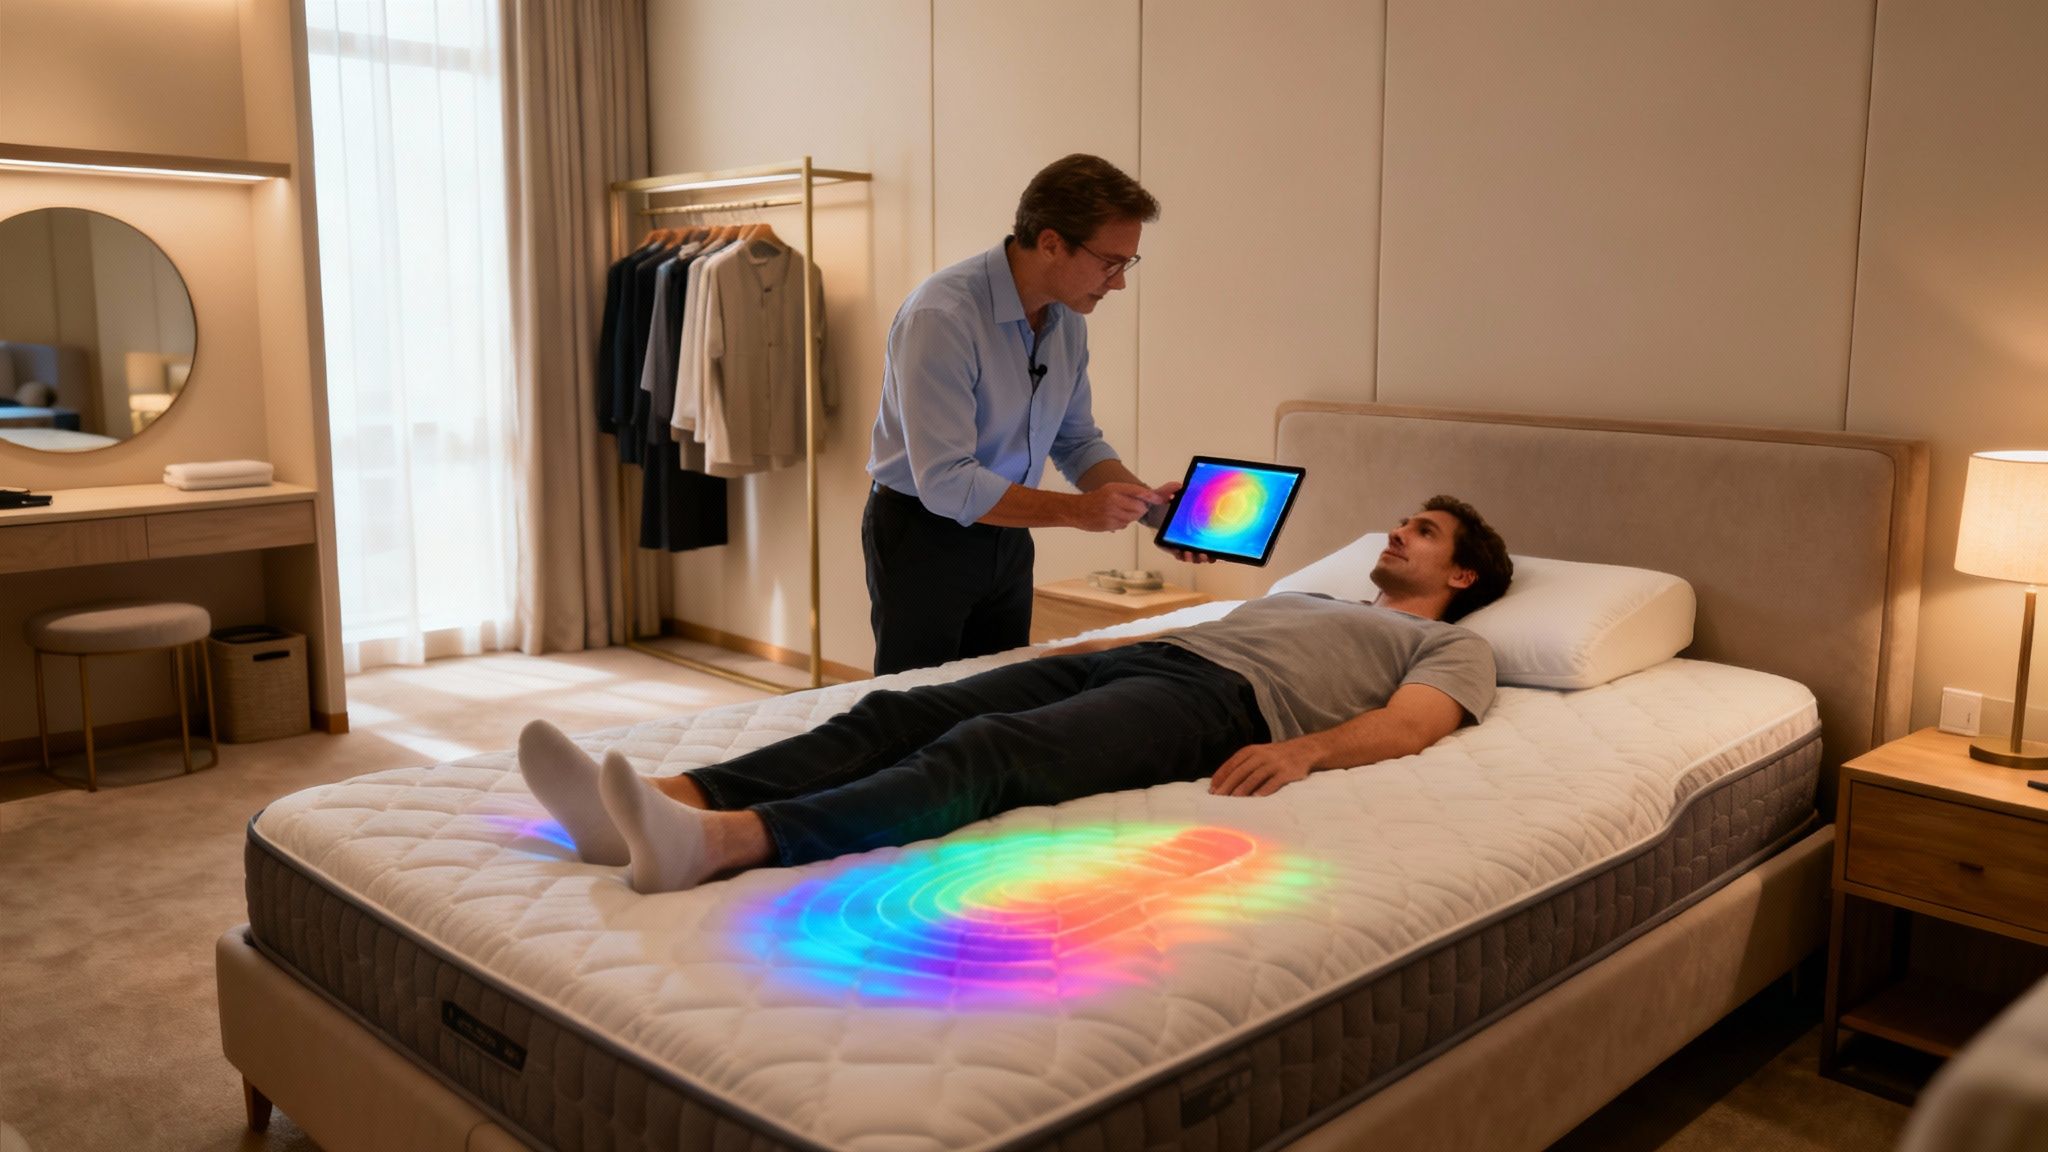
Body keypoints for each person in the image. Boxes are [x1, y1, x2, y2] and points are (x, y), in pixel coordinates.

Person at [516, 496, 1514, 895]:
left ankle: (729, 840)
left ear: (1461, 575)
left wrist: (1302, 751)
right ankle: (665, 798)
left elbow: (1407, 727)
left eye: (1420, 531)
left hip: (1223, 707)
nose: (1395, 531)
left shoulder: (1446, 645)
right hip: (1145, 658)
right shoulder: (1304, 589)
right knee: (897, 711)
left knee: (988, 752)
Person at [863, 153, 1193, 677]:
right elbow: (946, 482)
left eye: (1126, 264)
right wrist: (1079, 512)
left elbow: (1077, 442)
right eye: (1110, 262)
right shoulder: (942, 316)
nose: (1119, 283)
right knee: (916, 707)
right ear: (1051, 242)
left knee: (997, 696)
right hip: (923, 535)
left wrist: (1154, 510)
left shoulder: (1067, 319)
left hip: (1009, 535)